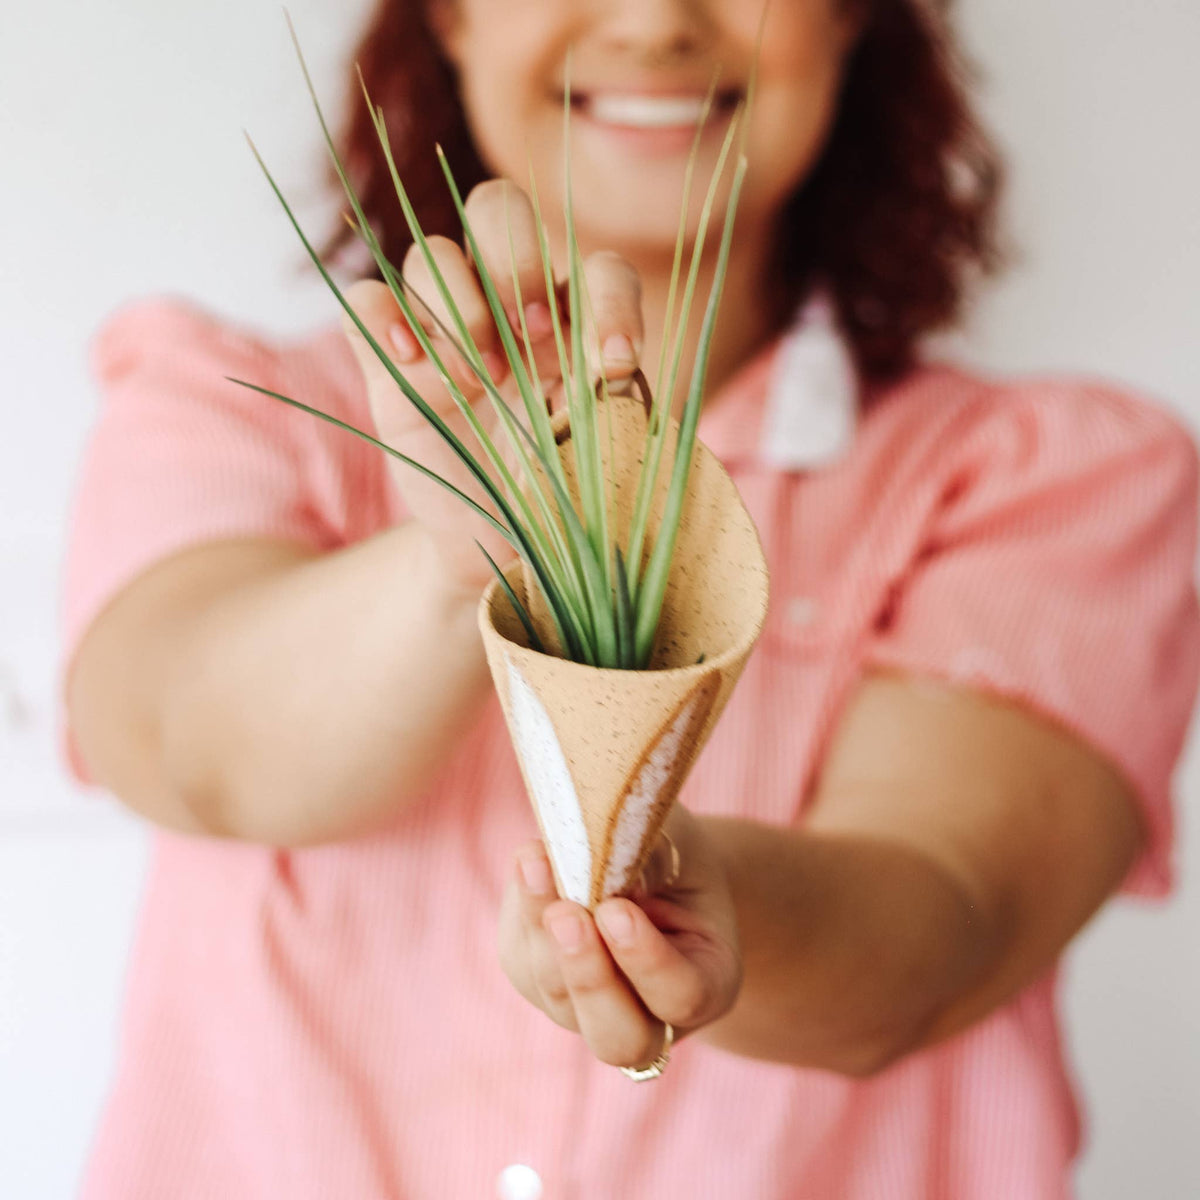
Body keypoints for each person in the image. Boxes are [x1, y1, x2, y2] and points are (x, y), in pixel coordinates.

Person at [60, 1, 1200, 1197]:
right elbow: (189, 744)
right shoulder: (230, 407)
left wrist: (680, 888)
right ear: (450, 16)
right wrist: (464, 563)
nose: (656, 23)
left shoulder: (1056, 477)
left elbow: (947, 916)